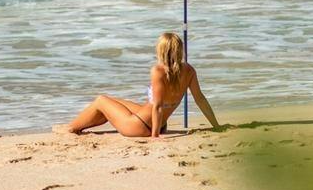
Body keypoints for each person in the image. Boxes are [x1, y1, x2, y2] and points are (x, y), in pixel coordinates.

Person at [60, 31, 221, 137]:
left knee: (101, 100)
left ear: (161, 51)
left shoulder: (158, 71)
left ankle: (71, 128)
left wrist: (155, 137)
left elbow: (157, 106)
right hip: (160, 123)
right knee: (116, 102)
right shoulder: (189, 70)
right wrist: (216, 126)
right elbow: (200, 99)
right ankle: (80, 125)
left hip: (141, 126)